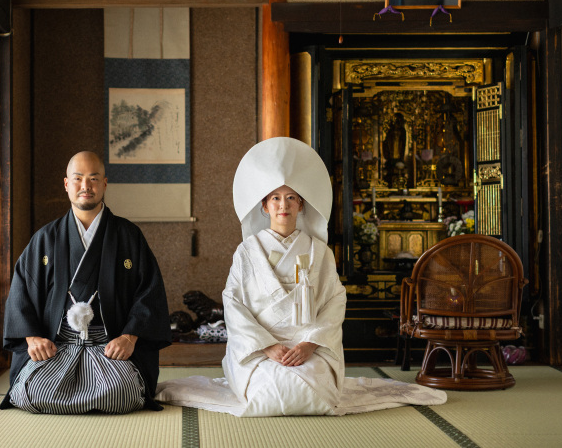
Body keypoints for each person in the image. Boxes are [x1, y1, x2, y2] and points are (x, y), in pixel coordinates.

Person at [156, 137, 445, 416]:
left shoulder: (319, 251)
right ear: (264, 205)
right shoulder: (247, 251)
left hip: (309, 346)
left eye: (291, 197)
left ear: (301, 204)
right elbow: (233, 303)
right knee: (266, 393)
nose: (283, 205)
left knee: (316, 393)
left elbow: (334, 301)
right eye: (275, 198)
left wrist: (309, 344)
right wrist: (267, 346)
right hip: (260, 349)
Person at [0, 151, 171, 413]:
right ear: (66, 184)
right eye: (78, 178)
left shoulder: (128, 236)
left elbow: (149, 293)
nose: (85, 186)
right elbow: (21, 293)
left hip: (110, 345)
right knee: (32, 390)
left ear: (105, 183)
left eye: (93, 178)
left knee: (123, 392)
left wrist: (129, 338)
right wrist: (33, 339)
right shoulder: (45, 238)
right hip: (57, 345)